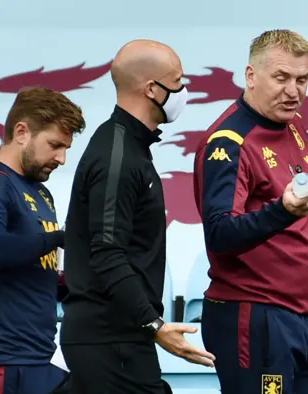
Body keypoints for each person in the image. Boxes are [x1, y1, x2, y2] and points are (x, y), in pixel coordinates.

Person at [60, 39, 215, 394]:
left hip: (121, 339)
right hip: (108, 341)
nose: (183, 91)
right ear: (151, 89)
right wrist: (155, 325)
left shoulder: (132, 149)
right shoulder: (117, 157)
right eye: (177, 82)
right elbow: (108, 253)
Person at [192, 29, 308, 394]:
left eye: (302, 79)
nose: (293, 91)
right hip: (257, 314)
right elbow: (221, 234)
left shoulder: (294, 125)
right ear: (251, 76)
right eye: (281, 78)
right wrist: (283, 211)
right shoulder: (229, 143)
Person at [0, 87, 85, 394]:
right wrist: (58, 238)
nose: (62, 158)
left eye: (66, 148)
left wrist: (80, 284)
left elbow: (32, 273)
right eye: (55, 145)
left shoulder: (42, 193)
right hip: (1, 363)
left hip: (41, 361)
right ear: (22, 132)